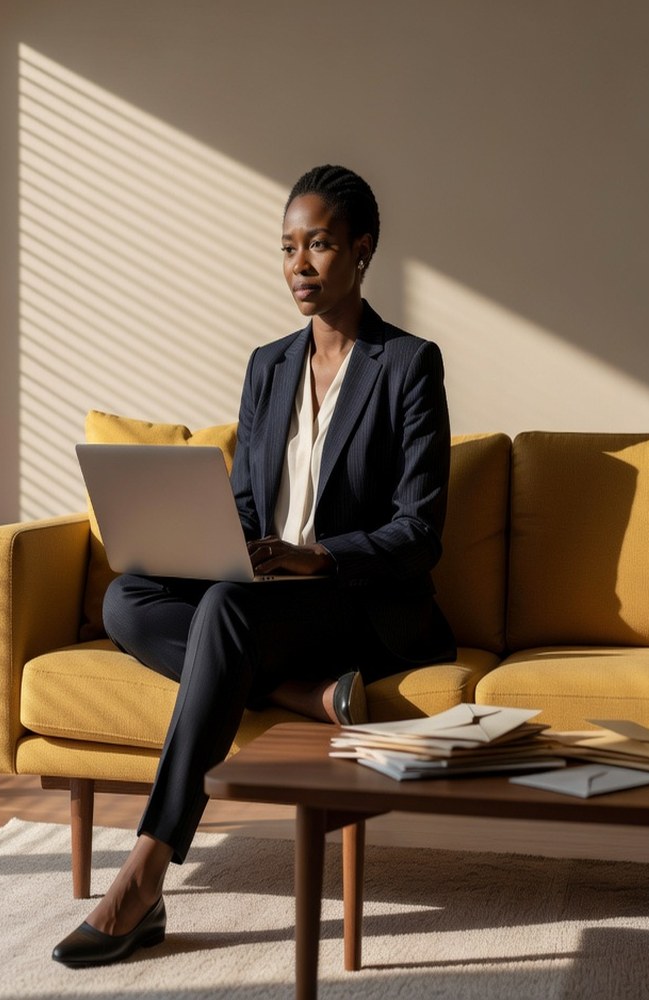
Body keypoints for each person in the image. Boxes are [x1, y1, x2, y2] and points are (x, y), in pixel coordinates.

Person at [51, 164, 457, 967]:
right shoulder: (267, 365)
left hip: (353, 600)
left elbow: (420, 532)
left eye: (320, 245)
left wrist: (317, 557)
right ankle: (301, 693)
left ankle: (145, 870)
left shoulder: (408, 365)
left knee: (224, 618)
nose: (299, 265)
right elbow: (245, 503)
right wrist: (215, 547)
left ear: (363, 251)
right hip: (263, 591)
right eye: (287, 247)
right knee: (127, 599)